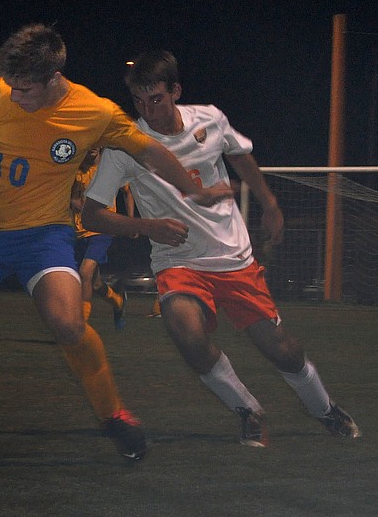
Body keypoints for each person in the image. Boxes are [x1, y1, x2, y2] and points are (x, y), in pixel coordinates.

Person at [0, 24, 228, 461]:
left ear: (53, 78)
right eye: (10, 86)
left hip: (43, 238)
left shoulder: (93, 112)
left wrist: (195, 190)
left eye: (24, 89)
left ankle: (114, 415)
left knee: (68, 324)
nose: (14, 96)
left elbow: (150, 152)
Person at [82, 50, 360, 447]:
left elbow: (241, 156)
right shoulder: (126, 146)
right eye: (139, 102)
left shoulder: (210, 119)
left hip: (232, 258)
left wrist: (270, 204)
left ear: (176, 91)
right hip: (177, 261)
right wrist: (148, 227)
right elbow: (91, 215)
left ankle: (324, 408)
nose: (148, 110)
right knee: (185, 331)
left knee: (282, 351)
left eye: (156, 99)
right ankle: (248, 410)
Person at [71, 147, 131, 330]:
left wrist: (129, 221)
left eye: (97, 143)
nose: (93, 147)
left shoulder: (110, 168)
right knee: (95, 283)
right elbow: (72, 198)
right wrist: (80, 205)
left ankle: (81, 327)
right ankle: (118, 301)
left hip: (102, 229)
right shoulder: (77, 169)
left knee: (84, 272)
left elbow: (127, 192)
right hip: (80, 231)